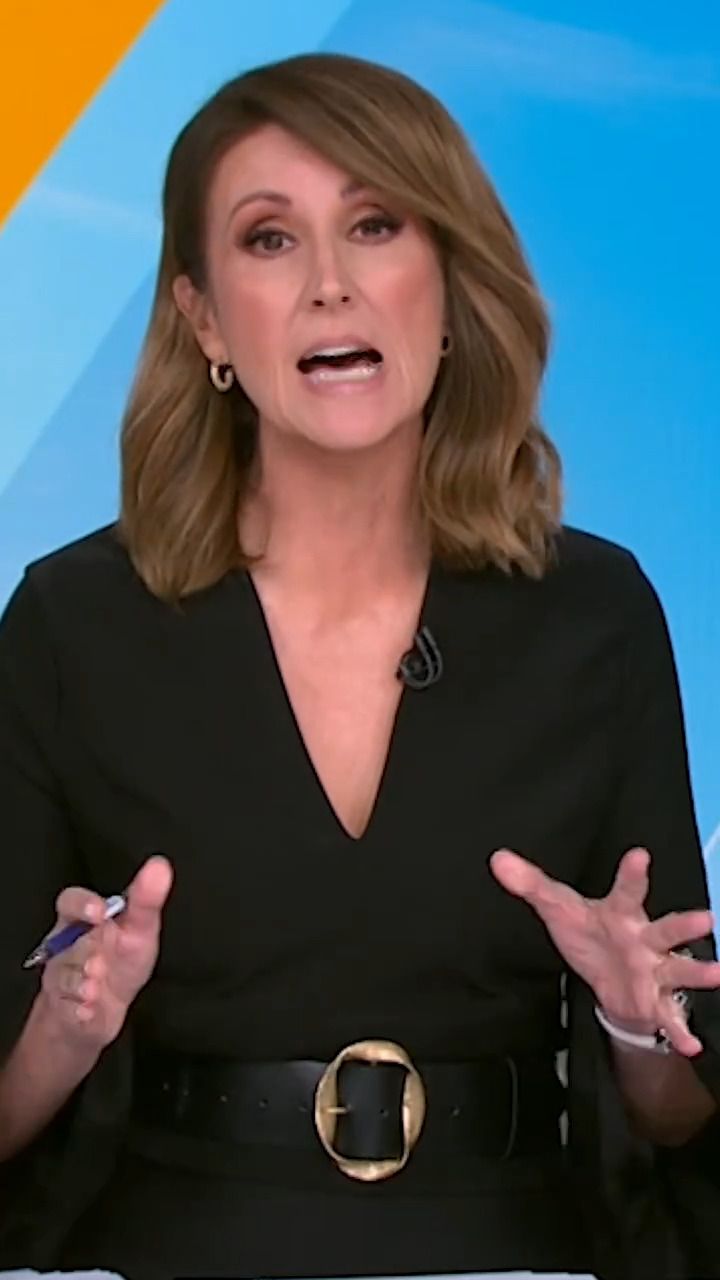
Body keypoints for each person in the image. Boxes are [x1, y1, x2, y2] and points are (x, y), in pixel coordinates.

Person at [0, 49, 719, 1280]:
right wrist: (65, 1029)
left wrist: (632, 1019)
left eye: (375, 225)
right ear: (205, 319)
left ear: (449, 284)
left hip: (510, 1257)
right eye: (270, 239)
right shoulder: (75, 623)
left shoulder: (593, 614)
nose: (330, 283)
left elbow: (681, 1122)